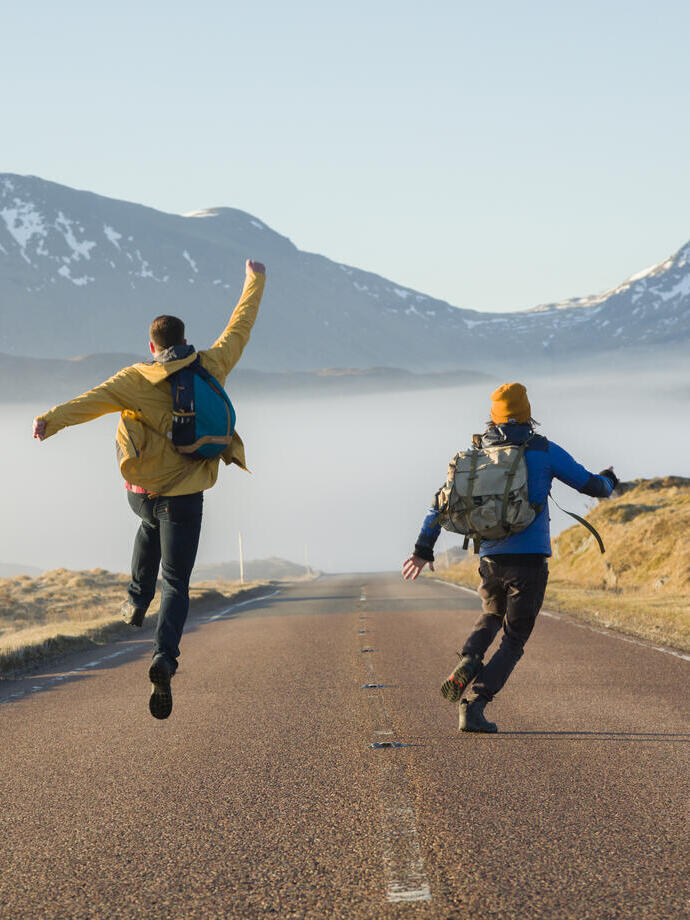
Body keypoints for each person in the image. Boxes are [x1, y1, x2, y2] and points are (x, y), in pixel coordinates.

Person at [33, 259, 266, 719]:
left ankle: (136, 599)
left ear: (152, 344)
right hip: (186, 498)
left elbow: (87, 403)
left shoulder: (132, 380)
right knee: (177, 582)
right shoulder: (212, 364)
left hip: (141, 490)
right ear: (184, 340)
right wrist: (254, 280)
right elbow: (241, 326)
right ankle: (164, 656)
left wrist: (50, 421)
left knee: (145, 525)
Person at [401, 382, 617, 733]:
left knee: (490, 615)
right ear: (528, 413)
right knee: (514, 638)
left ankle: (470, 658)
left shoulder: (474, 455)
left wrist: (422, 550)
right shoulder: (542, 450)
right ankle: (475, 705)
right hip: (529, 562)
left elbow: (438, 505)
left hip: (490, 558)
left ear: (493, 416)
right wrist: (609, 482)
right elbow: (590, 485)